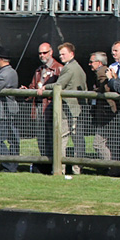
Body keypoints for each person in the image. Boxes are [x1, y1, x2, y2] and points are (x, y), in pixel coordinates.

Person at [46, 42, 87, 175]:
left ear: (71, 54)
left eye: (63, 54)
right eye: (60, 54)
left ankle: (60, 169)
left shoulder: (69, 68)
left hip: (68, 109)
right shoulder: (78, 68)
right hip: (77, 109)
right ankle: (77, 168)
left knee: (62, 139)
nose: (61, 56)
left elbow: (59, 85)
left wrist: (43, 87)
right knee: (78, 139)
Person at [27, 42, 62, 171]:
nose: (42, 55)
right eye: (40, 53)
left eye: (45, 52)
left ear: (51, 52)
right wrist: (27, 90)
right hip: (39, 110)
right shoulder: (38, 70)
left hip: (52, 110)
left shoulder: (59, 69)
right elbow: (33, 87)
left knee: (53, 139)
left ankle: (55, 166)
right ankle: (45, 165)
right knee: (41, 139)